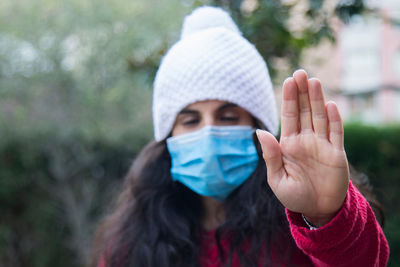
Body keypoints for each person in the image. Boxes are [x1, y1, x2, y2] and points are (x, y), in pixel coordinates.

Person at [92, 6, 389, 267]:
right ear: (168, 135)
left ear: (258, 127)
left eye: (228, 117)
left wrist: (325, 217)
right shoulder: (133, 240)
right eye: (190, 120)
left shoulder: (298, 218)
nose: (208, 132)